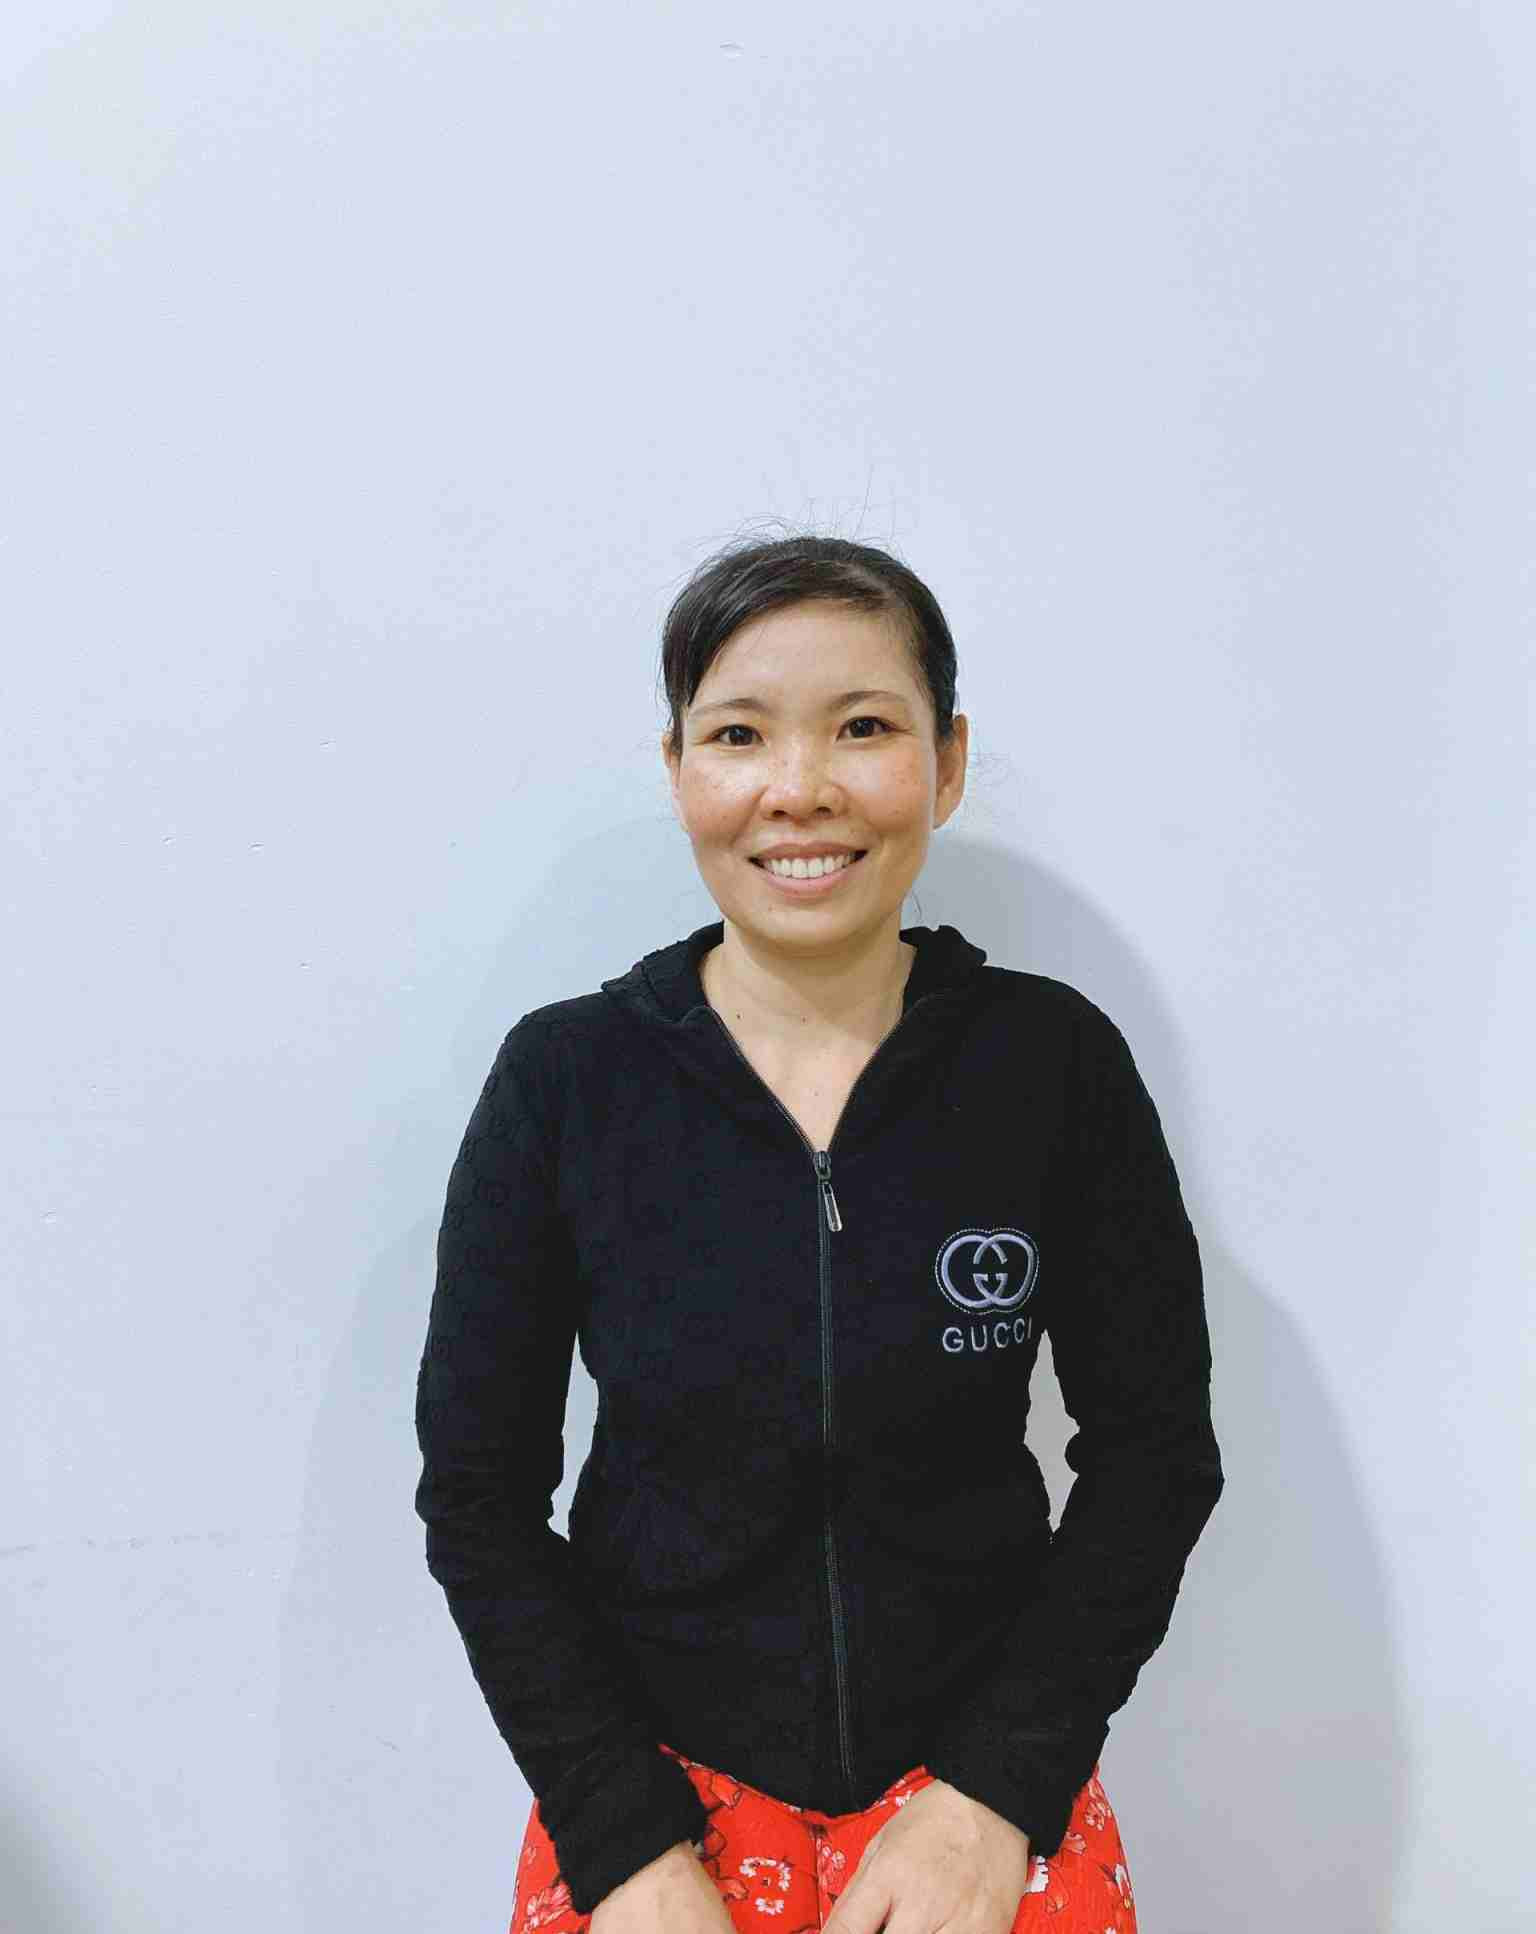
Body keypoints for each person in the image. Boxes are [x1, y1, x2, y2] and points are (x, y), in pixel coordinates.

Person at [413, 532, 1225, 1934]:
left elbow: (1157, 1454)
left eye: (864, 727)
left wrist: (993, 1794)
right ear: (678, 768)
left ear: (947, 760)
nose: (800, 788)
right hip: (653, 1802)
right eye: (739, 733)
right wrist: (623, 1840)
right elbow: (478, 1495)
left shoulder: (1053, 1066)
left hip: (978, 1796)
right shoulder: (566, 1082)